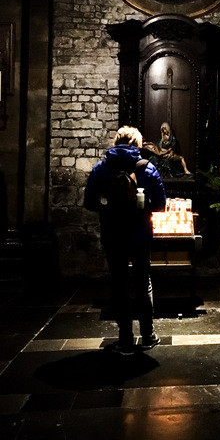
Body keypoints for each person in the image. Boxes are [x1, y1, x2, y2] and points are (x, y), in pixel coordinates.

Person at [84, 126, 166, 354]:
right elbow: (160, 205)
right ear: (137, 145)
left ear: (116, 142)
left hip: (113, 234)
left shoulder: (102, 168)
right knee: (143, 281)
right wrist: (143, 205)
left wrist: (107, 205)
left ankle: (125, 340)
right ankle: (148, 335)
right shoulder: (147, 169)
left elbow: (89, 202)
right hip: (140, 234)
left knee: (119, 283)